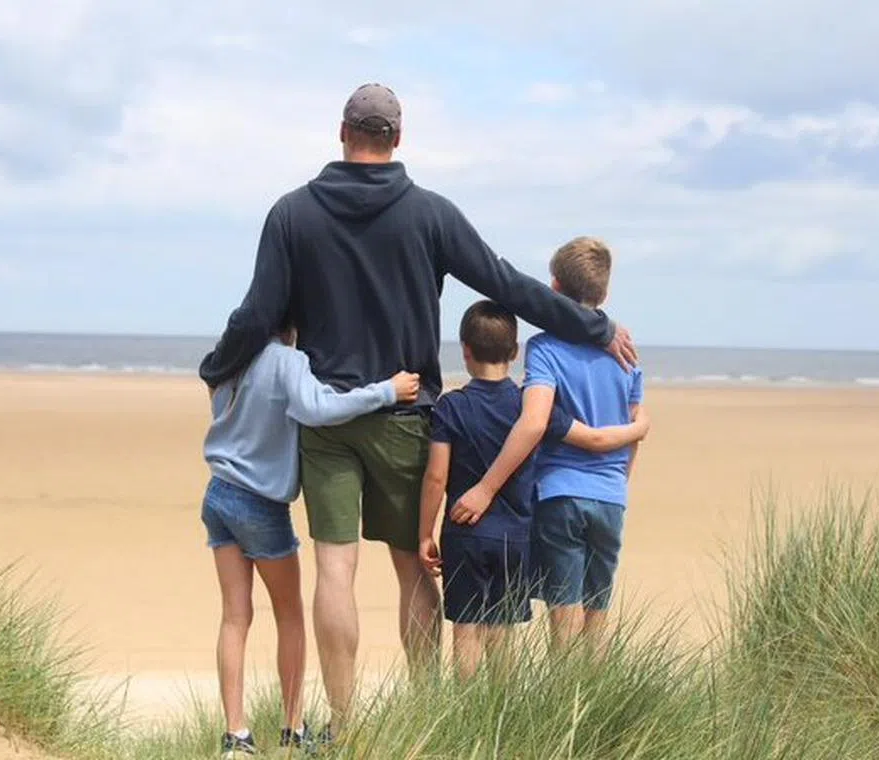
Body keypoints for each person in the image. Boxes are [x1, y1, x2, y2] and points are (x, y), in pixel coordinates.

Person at [198, 82, 639, 739]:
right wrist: (591, 326)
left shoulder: (292, 213)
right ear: (397, 139)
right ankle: (431, 719)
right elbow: (507, 284)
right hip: (409, 417)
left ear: (342, 131)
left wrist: (217, 367)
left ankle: (343, 730)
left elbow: (258, 314)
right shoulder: (428, 213)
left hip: (329, 423)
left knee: (336, 570)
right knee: (412, 566)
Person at [200, 317, 420, 757]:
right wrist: (386, 392)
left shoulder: (230, 361)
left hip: (218, 494)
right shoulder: (287, 360)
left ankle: (236, 735)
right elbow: (317, 408)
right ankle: (292, 727)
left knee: (234, 617)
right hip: (260, 503)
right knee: (290, 616)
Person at [418, 300, 650, 678]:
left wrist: (424, 532)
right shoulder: (532, 409)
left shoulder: (451, 406)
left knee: (467, 629)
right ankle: (501, 713)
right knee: (503, 630)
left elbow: (436, 477)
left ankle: (465, 713)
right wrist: (638, 429)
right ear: (514, 353)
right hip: (516, 535)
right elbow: (589, 437)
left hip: (464, 533)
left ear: (465, 349)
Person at [451, 237, 644, 655]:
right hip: (612, 496)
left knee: (564, 614)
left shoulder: (544, 348)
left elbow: (535, 421)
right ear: (605, 293)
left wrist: (485, 488)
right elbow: (634, 431)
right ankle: (594, 704)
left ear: (552, 290)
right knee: (597, 613)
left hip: (560, 494)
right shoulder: (627, 354)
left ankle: (562, 710)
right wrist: (617, 482)